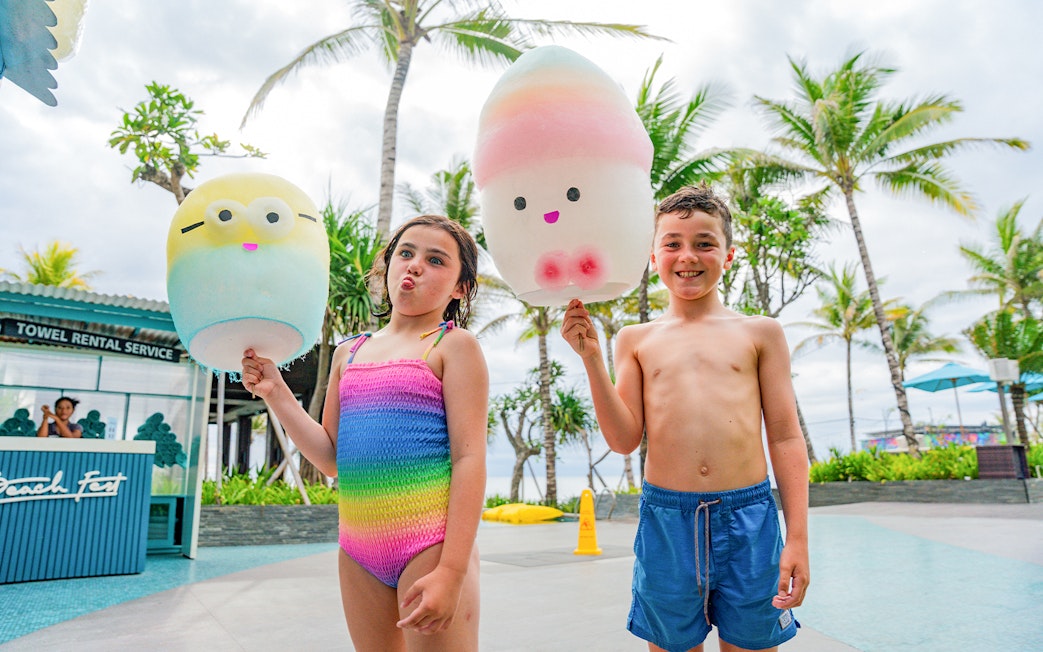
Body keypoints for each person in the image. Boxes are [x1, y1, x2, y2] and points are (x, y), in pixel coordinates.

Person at [561, 184, 810, 652]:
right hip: (667, 520)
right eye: (672, 243)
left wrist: (797, 539)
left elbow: (784, 436)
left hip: (750, 518)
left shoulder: (760, 333)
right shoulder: (635, 339)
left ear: (729, 254)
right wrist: (592, 358)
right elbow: (623, 439)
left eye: (704, 243)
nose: (687, 255)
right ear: (653, 258)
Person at [241, 214, 487, 651]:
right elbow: (331, 457)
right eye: (406, 254)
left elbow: (470, 459)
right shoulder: (347, 353)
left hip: (429, 544)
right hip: (357, 552)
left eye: (435, 260)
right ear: (387, 266)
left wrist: (452, 571)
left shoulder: (452, 346)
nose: (414, 266)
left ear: (460, 288)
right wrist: (276, 391)